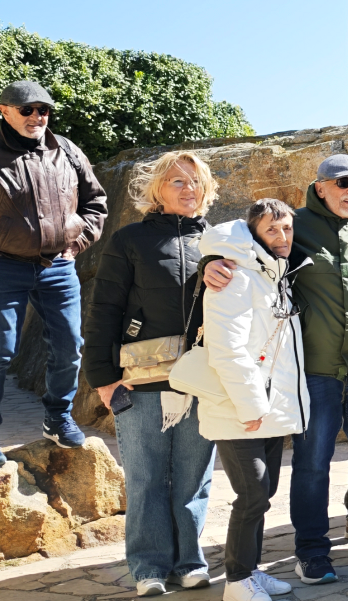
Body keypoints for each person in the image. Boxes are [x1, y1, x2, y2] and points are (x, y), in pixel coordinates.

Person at [202, 154, 348, 582]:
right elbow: (239, 242)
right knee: (312, 461)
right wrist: (208, 261)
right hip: (314, 372)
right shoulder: (293, 226)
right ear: (320, 187)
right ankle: (312, 551)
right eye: (342, 182)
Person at [0, 80, 109, 468]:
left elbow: (96, 201)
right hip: (1, 268)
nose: (37, 116)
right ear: (5, 111)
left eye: (43, 110)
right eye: (27, 109)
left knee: (69, 345)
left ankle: (57, 417)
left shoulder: (67, 151)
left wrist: (77, 243)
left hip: (57, 266)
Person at [86, 152, 219, 595]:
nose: (188, 188)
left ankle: (190, 562)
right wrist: (103, 378)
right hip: (140, 379)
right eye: (177, 181)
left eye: (195, 181)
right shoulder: (130, 240)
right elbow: (104, 309)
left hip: (203, 377)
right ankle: (148, 567)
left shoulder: (220, 241)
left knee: (193, 478)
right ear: (157, 189)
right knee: (146, 480)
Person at [196, 199, 310, 601]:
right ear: (254, 234)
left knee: (264, 494)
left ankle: (251, 570)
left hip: (267, 408)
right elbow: (226, 349)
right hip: (241, 409)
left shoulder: (273, 274)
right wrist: (252, 406)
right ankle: (237, 581)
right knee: (252, 494)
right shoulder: (236, 276)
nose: (282, 237)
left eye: (287, 228)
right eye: (271, 230)